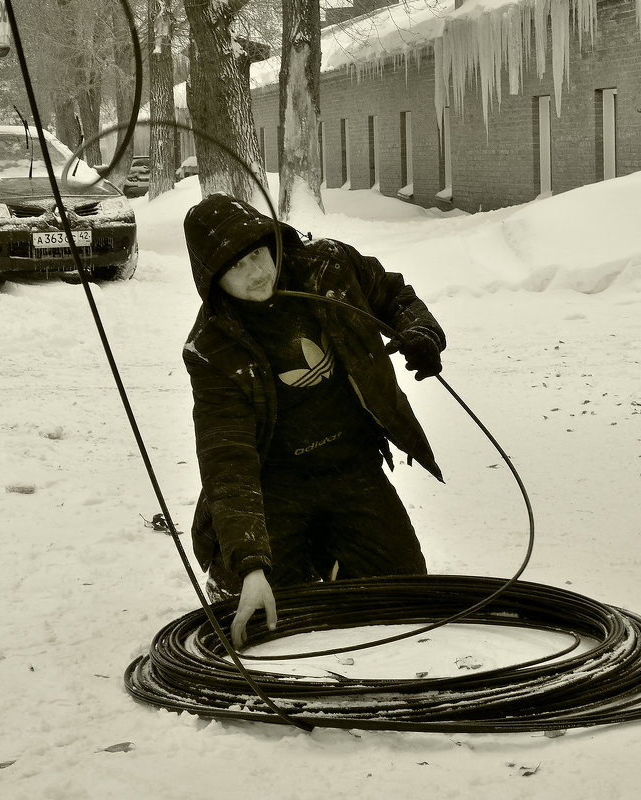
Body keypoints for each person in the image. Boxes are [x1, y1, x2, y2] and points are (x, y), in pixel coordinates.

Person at [182, 192, 446, 648]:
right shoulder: (212, 348)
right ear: (212, 277)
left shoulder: (328, 267)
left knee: (406, 595)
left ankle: (333, 553)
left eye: (258, 254)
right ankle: (234, 573)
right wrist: (250, 566)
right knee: (269, 617)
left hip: (352, 465)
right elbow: (228, 459)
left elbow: (392, 294)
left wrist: (421, 331)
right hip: (274, 484)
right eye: (237, 266)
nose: (257, 272)